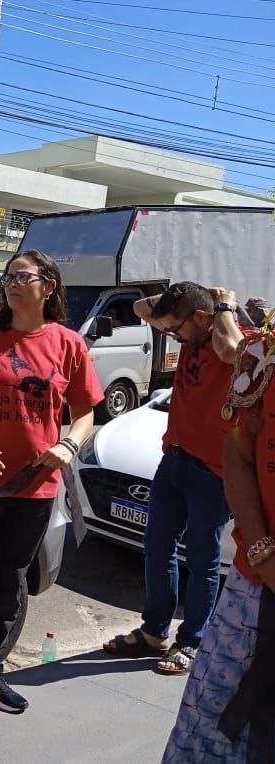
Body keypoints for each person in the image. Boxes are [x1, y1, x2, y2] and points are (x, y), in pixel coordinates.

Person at [0, 250, 102, 728]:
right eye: (8, 276)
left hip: (36, 487)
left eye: (23, 276)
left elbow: (86, 412)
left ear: (48, 286)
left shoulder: (68, 344)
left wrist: (70, 444)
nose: (12, 283)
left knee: (11, 582)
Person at [103, 282, 243, 676]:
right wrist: (182, 298)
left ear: (203, 318)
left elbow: (232, 349)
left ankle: (192, 640)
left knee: (203, 560)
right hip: (174, 461)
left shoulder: (234, 341)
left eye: (177, 331)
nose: (173, 338)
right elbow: (143, 309)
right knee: (157, 547)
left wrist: (224, 306)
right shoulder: (192, 336)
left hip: (213, 473)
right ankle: (154, 632)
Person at [163, 328, 275, 762]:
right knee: (208, 734)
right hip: (253, 590)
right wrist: (263, 554)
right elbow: (239, 452)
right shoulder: (263, 351)